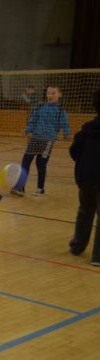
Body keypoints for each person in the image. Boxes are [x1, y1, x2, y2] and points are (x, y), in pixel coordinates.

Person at [11, 85, 70, 197]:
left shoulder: (61, 111)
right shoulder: (40, 107)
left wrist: (66, 133)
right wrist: (27, 130)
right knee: (26, 161)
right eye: (48, 93)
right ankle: (20, 187)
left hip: (48, 140)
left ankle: (40, 188)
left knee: (41, 163)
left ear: (59, 95)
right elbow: (33, 121)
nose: (50, 95)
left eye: (53, 93)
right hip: (35, 138)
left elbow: (65, 124)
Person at [68, 88, 100, 267]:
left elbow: (74, 151)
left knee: (85, 211)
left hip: (86, 178)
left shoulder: (85, 131)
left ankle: (77, 246)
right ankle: (98, 256)